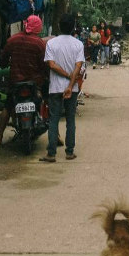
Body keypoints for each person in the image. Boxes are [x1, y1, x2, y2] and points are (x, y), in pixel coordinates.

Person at [0, 15, 48, 147]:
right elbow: (44, 64)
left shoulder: (13, 40)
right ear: (38, 27)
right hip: (34, 84)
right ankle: (55, 136)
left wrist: (5, 64)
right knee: (46, 102)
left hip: (15, 82)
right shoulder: (39, 43)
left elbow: (3, 60)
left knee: (7, 107)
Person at [41, 13, 85, 163]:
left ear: (59, 26)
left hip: (55, 88)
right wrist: (70, 84)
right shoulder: (78, 44)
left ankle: (51, 153)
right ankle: (69, 152)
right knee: (70, 120)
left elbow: (51, 65)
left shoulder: (51, 44)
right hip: (71, 90)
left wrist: (65, 76)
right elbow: (78, 67)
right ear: (73, 27)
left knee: (53, 119)